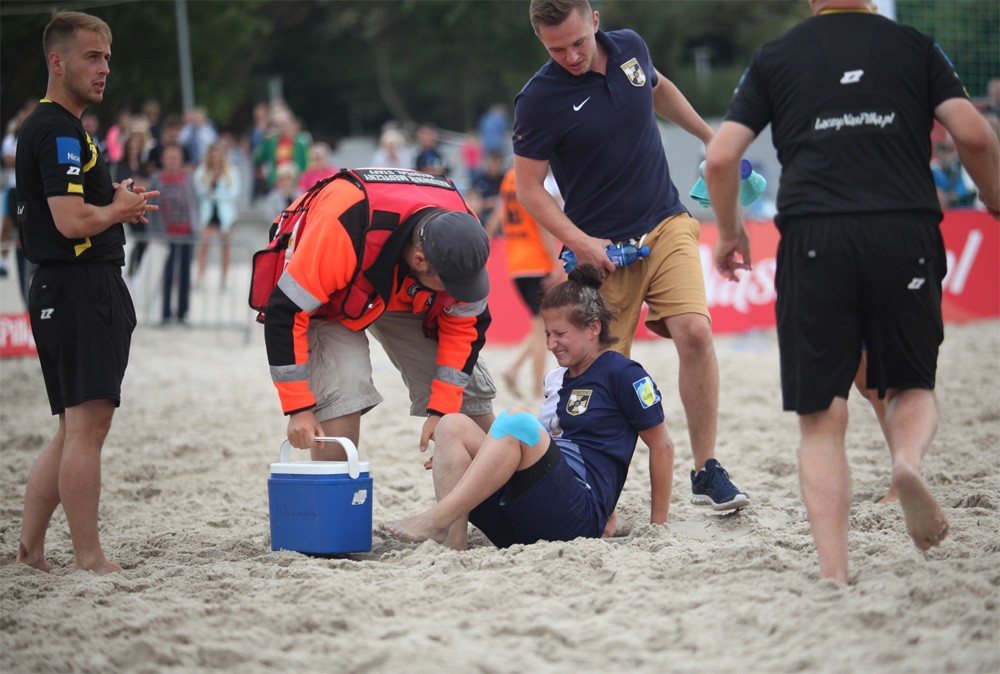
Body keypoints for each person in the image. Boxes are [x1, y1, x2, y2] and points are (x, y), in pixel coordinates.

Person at [704, 0, 1000, 584]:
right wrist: (993, 198)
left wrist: (731, 231)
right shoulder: (914, 47)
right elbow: (972, 134)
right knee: (911, 384)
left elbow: (719, 156)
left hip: (815, 236)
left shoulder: (775, 56)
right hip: (904, 230)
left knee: (821, 420)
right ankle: (907, 464)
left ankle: (835, 575)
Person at [513, 0, 749, 510]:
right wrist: (580, 242)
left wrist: (712, 139)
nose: (571, 56)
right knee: (598, 375)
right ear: (541, 41)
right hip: (600, 252)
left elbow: (657, 89)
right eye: (557, 49)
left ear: (595, 20)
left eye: (578, 42)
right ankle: (593, 490)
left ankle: (707, 470)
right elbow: (528, 189)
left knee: (695, 330)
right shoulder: (537, 100)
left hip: (665, 221)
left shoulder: (631, 49)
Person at [380, 264, 674, 550]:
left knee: (517, 419)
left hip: (575, 517)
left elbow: (662, 445)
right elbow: (544, 451)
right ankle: (452, 542)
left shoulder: (624, 374)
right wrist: (475, 462)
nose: (550, 344)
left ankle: (439, 517)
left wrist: (657, 526)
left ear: (593, 328)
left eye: (560, 334)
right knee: (451, 425)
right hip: (527, 516)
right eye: (547, 334)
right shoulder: (556, 379)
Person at [14, 10, 158, 573]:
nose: (103, 70)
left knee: (72, 427)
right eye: (91, 57)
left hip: (65, 285)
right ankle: (89, 558)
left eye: (107, 59)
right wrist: (117, 209)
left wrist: (116, 204)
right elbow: (72, 221)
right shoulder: (55, 129)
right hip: (77, 287)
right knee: (87, 430)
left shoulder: (60, 127)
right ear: (58, 62)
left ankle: (30, 552)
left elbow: (74, 215)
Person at [262, 167, 496, 460]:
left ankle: (499, 487)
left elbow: (465, 328)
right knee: (343, 390)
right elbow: (285, 312)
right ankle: (335, 495)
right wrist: (298, 407)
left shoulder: (462, 237)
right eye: (451, 285)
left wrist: (443, 411)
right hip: (335, 294)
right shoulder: (342, 226)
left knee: (468, 394)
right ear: (420, 260)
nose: (459, 293)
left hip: (401, 288)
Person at [485, 165, 562, 399]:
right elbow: (543, 227)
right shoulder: (534, 177)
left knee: (541, 324)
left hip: (515, 262)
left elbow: (497, 217)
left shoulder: (509, 177)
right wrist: (556, 263)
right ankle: (538, 390)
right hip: (537, 261)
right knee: (544, 329)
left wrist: (487, 241)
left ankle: (513, 368)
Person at [147, 143, 198, 325]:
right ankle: (165, 313)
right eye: (169, 157)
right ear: (163, 159)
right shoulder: (156, 179)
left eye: (175, 157)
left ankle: (183, 313)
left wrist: (195, 226)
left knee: (185, 275)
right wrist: (152, 234)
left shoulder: (188, 179)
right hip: (165, 236)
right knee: (167, 275)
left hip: (186, 233)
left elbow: (194, 203)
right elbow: (150, 208)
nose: (172, 160)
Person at [193, 139, 240, 289]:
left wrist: (215, 195)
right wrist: (209, 185)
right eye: (212, 156)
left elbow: (234, 192)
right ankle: (200, 277)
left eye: (217, 156)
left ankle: (224, 278)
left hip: (224, 213)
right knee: (204, 244)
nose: (215, 159)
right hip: (207, 212)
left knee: (225, 246)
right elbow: (198, 191)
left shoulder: (231, 171)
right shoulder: (202, 170)